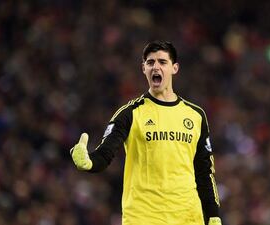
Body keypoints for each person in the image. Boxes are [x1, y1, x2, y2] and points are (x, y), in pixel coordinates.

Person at [70, 40, 222, 225]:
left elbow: (204, 171)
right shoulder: (130, 114)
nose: (155, 67)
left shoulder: (196, 115)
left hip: (188, 217)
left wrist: (213, 214)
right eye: (150, 63)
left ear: (175, 68)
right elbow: (106, 153)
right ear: (143, 68)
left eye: (162, 62)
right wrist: (90, 162)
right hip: (144, 217)